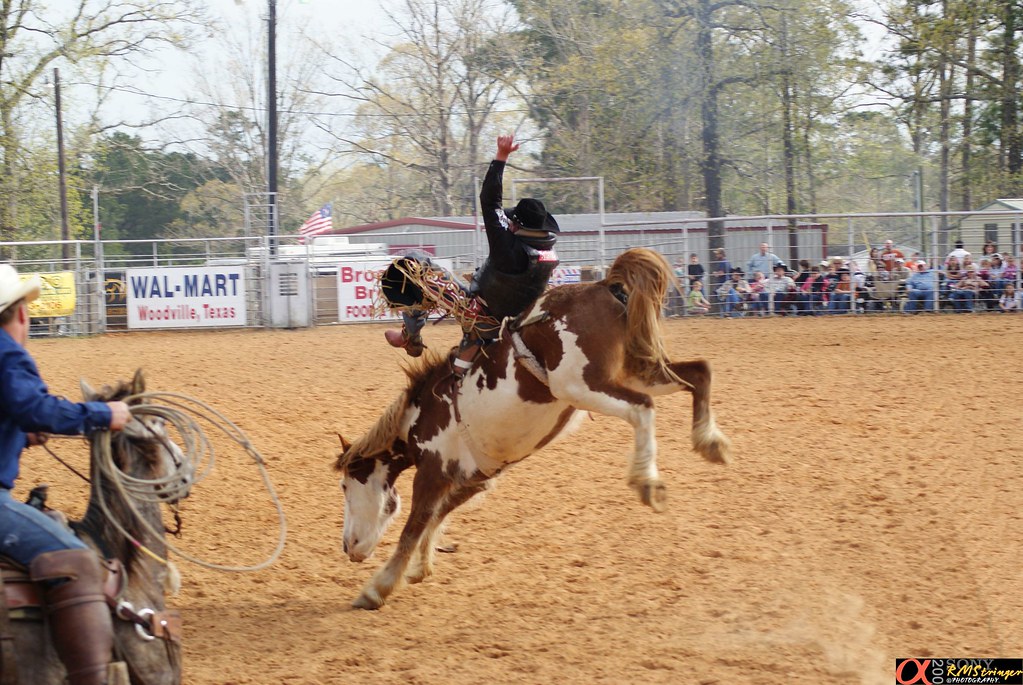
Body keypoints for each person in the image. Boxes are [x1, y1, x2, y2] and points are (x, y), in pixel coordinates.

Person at [0, 264, 132, 685]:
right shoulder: (7, 352)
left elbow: (21, 415)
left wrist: (20, 437)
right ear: (20, 314)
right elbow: (35, 407)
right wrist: (102, 414)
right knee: (76, 561)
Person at [382, 134, 560, 378]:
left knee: (412, 266)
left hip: (484, 310)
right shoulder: (549, 251)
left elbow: (490, 200)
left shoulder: (506, 245)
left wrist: (502, 156)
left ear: (516, 225)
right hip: (524, 310)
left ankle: (410, 336)